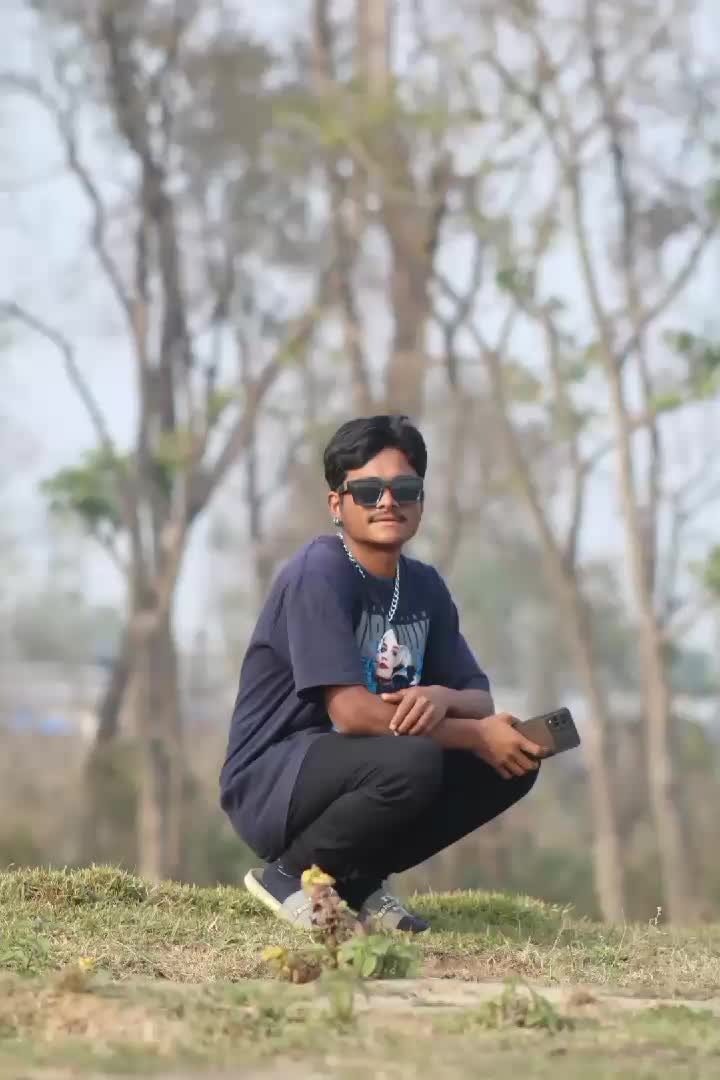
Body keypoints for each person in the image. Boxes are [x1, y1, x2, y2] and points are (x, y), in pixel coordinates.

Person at [219, 415, 542, 933]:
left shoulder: (424, 586)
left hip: (367, 767)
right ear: (336, 504)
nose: (388, 502)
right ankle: (289, 876)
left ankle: (357, 878)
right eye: (368, 491)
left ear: (421, 500)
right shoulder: (319, 571)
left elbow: (478, 696)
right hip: (275, 779)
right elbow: (351, 714)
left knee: (513, 760)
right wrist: (475, 734)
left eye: (404, 489)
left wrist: (440, 697)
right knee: (416, 756)